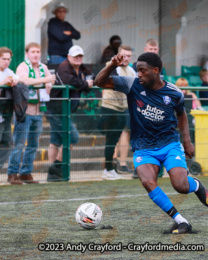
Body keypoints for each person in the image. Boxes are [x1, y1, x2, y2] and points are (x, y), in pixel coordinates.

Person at [95, 52, 208, 234]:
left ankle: (195, 185)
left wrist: (187, 141)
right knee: (148, 181)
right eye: (137, 71)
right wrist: (112, 65)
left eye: (142, 71)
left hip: (169, 143)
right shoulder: (131, 84)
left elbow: (182, 114)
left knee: (180, 186)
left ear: (156, 70)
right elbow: (100, 82)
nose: (139, 74)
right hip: (143, 146)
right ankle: (181, 221)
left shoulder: (174, 92)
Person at [7, 42, 56, 184]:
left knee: (33, 144)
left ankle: (26, 172)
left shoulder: (44, 67)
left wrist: (48, 85)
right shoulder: (22, 66)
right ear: (27, 54)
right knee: (19, 143)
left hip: (39, 110)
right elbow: (24, 81)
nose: (36, 54)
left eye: (38, 52)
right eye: (33, 52)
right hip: (25, 110)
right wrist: (45, 81)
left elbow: (51, 81)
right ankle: (12, 173)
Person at [46, 45, 93, 182]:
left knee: (55, 140)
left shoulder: (81, 67)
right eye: (75, 56)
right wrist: (86, 83)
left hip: (64, 110)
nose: (78, 59)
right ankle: (56, 167)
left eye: (80, 56)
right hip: (57, 110)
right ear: (69, 57)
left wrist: (88, 80)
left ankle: (52, 174)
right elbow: (69, 81)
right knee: (73, 137)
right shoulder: (64, 67)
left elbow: (91, 76)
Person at [101, 45, 136, 179]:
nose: (126, 58)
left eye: (128, 56)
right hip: (109, 107)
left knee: (115, 138)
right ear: (118, 54)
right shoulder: (111, 65)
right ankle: (108, 169)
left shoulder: (131, 70)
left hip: (123, 108)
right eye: (124, 55)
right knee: (110, 140)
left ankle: (110, 169)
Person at [0, 47, 25, 184]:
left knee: (8, 143)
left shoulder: (9, 72)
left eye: (8, 59)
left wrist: (16, 82)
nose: (6, 62)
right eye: (3, 58)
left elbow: (19, 80)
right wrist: (2, 83)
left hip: (5, 115)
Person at [175, 77, 201, 143]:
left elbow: (199, 107)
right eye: (181, 86)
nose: (183, 88)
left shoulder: (192, 95)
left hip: (191, 117)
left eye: (185, 86)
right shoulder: (174, 95)